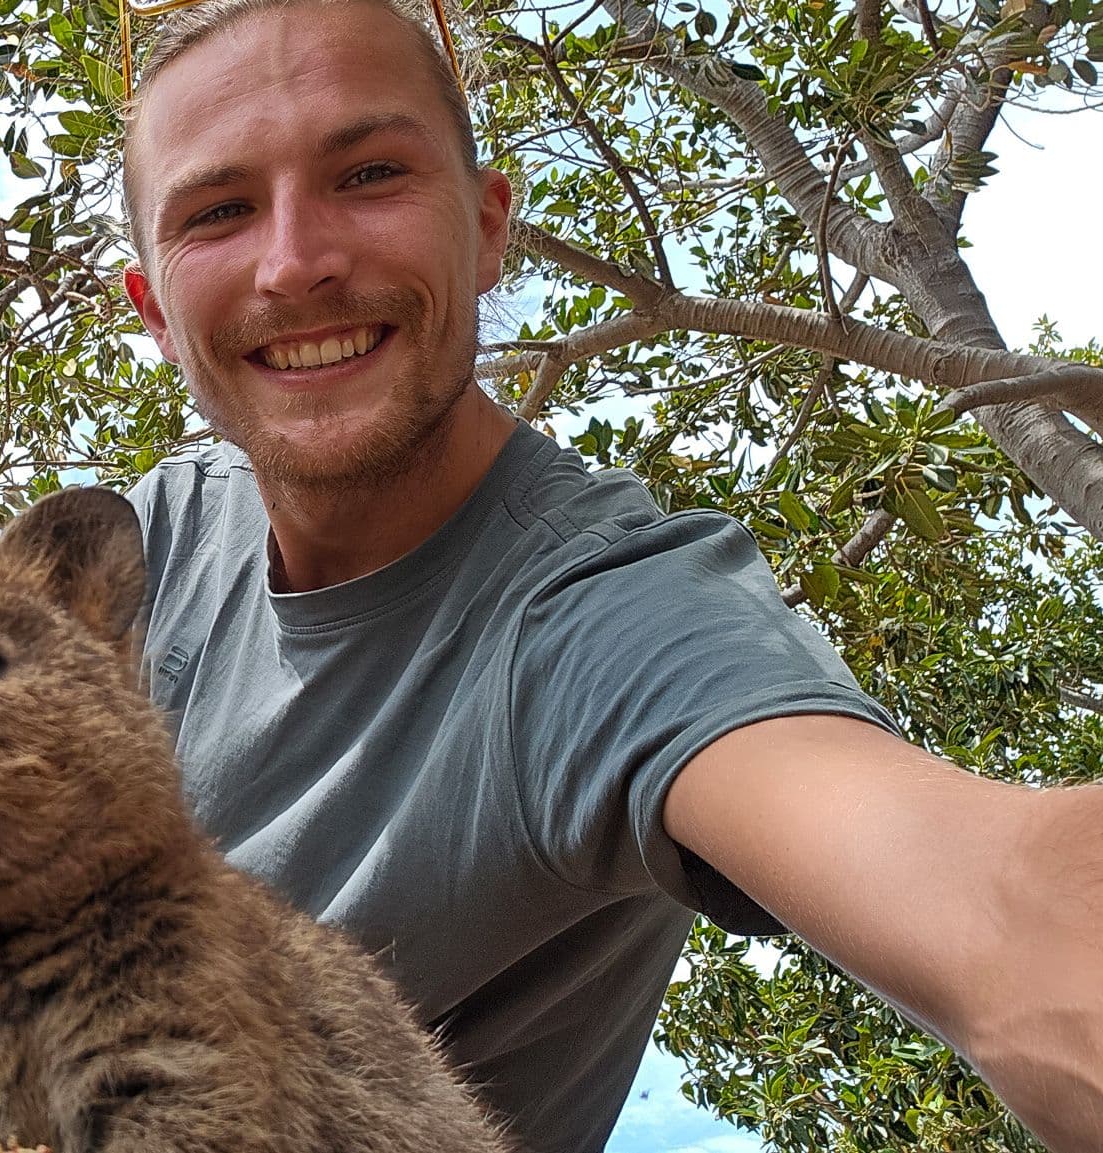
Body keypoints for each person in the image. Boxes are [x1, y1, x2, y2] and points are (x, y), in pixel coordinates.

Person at [114, 2, 1103, 1150]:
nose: (295, 262)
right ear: (154, 312)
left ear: (487, 230)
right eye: (218, 211)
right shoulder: (155, 537)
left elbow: (996, 903)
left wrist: (1037, 930)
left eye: (370, 172)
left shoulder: (600, 615)